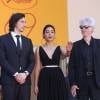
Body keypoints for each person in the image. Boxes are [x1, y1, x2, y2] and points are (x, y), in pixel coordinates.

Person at [0, 13, 35, 100]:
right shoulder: (2, 39)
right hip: (8, 82)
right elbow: (2, 60)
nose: (25, 25)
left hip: (25, 82)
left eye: (25, 22)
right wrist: (16, 74)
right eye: (22, 22)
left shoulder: (28, 41)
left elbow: (32, 61)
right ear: (15, 23)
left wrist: (25, 74)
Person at [68, 17, 100, 100]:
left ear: (92, 29)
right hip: (81, 82)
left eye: (86, 27)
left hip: (96, 81)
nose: (83, 29)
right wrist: (73, 84)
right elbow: (71, 67)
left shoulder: (99, 43)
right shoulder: (76, 45)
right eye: (81, 27)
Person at [34, 24, 68, 100]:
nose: (50, 34)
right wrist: (36, 85)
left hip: (58, 77)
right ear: (43, 35)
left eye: (52, 32)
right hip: (44, 77)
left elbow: (66, 54)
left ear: (54, 35)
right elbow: (37, 67)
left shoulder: (60, 47)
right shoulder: (39, 49)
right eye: (47, 32)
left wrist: (69, 50)